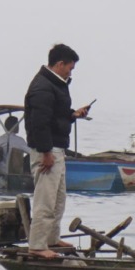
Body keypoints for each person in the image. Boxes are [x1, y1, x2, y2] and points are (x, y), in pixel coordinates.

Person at [23, 44, 91, 258]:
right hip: (47, 150)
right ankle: (37, 245)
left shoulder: (56, 85)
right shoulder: (43, 87)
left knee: (58, 199)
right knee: (45, 199)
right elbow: (39, 123)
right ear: (59, 64)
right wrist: (45, 153)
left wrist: (73, 114)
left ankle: (51, 239)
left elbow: (56, 114)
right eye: (69, 68)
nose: (70, 73)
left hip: (57, 148)